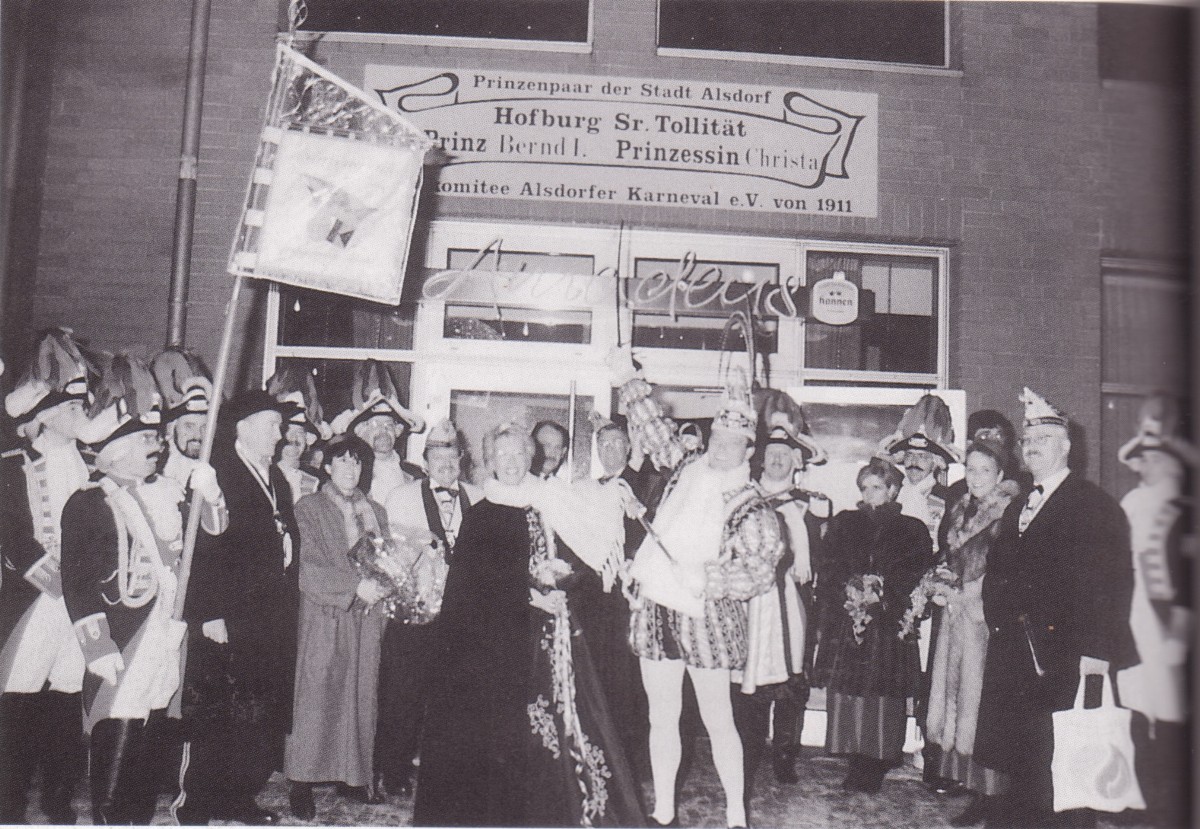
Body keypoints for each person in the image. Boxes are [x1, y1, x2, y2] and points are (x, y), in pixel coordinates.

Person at [414, 421, 642, 827]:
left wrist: (563, 586)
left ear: (529, 457)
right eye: (502, 455)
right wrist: (529, 595)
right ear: (490, 462)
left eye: (518, 454)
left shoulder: (547, 503)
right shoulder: (481, 515)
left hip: (543, 641)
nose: (511, 462)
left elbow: (580, 560)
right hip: (491, 648)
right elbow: (471, 588)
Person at [616, 356, 784, 829]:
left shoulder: (751, 505)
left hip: (706, 617)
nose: (722, 449)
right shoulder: (686, 466)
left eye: (733, 443)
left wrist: (710, 580)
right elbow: (655, 432)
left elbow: (761, 571)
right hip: (656, 608)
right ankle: (663, 809)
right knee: (661, 714)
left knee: (718, 717)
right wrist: (627, 380)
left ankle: (736, 814)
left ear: (749, 449)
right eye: (717, 439)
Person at [61, 354, 225, 824]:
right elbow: (77, 582)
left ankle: (135, 816)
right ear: (115, 450)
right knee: (119, 720)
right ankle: (110, 816)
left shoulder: (167, 491)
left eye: (155, 437)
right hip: (123, 632)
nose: (156, 446)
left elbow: (211, 534)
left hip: (166, 630)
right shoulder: (88, 503)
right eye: (145, 439)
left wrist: (210, 493)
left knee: (152, 723)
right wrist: (97, 645)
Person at [974, 388, 1137, 829]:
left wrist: (1097, 653)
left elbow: (1112, 584)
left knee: (1066, 761)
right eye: (1027, 441)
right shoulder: (1018, 505)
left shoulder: (1093, 505)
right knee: (1024, 757)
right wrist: (998, 622)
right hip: (1016, 652)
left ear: (1065, 447)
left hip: (1066, 655)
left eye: (1043, 440)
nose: (1031, 447)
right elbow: (998, 570)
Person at [176, 390, 302, 826]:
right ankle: (196, 803)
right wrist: (208, 612)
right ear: (242, 428)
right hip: (227, 615)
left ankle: (237, 797)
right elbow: (200, 548)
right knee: (216, 712)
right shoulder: (218, 473)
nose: (281, 434)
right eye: (273, 424)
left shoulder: (276, 478)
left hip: (269, 617)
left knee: (256, 714)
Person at [0, 330, 92, 824]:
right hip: (35, 599)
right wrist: (54, 581)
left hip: (76, 600)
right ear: (47, 412)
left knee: (67, 695)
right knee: (19, 695)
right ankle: (9, 805)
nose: (83, 412)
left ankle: (59, 801)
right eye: (72, 405)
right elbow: (14, 534)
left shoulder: (87, 462)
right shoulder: (13, 463)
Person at [811, 457, 933, 794]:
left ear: (893, 490)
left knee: (882, 692)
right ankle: (854, 756)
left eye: (877, 487)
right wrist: (849, 586)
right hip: (849, 619)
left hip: (887, 623)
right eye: (864, 488)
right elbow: (828, 563)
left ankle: (876, 760)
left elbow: (917, 570)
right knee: (850, 689)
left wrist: (884, 589)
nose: (869, 494)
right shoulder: (845, 522)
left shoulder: (911, 528)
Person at [375, 419, 482, 799]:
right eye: (438, 456)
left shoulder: (479, 497)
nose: (446, 463)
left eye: (452, 456)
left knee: (455, 696)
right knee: (404, 695)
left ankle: (445, 772)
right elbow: (390, 556)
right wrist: (421, 547)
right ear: (425, 461)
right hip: (415, 611)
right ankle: (395, 770)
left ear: (461, 459)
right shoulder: (400, 497)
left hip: (463, 616)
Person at [285, 434, 390, 820]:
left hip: (367, 616)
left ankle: (352, 776)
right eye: (342, 460)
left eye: (357, 461)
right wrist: (354, 587)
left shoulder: (375, 510)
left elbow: (386, 560)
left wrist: (386, 583)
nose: (351, 468)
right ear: (327, 466)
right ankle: (301, 782)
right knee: (317, 694)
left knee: (360, 694)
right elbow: (306, 566)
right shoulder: (308, 508)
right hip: (325, 612)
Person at [734, 411, 829, 804]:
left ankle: (785, 755)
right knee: (750, 678)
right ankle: (748, 752)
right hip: (750, 601)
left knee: (792, 680)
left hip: (794, 602)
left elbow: (820, 558)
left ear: (796, 461)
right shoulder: (742, 498)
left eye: (784, 454)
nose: (776, 459)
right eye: (771, 453)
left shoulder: (811, 506)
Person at [924, 437, 1019, 826]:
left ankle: (993, 795)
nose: (976, 478)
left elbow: (1007, 570)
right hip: (956, 617)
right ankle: (970, 785)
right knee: (957, 699)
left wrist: (971, 595)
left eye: (985, 470)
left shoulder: (1008, 511)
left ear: (1000, 474)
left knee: (982, 705)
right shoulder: (961, 508)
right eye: (971, 469)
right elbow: (950, 558)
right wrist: (939, 580)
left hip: (985, 621)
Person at [1113, 394, 1193, 826]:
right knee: (1136, 713)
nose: (1143, 465)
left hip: (1172, 629)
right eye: (1142, 457)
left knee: (1172, 721)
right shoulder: (1132, 503)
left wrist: (1179, 636)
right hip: (1134, 624)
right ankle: (1138, 803)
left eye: (1153, 456)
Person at [331, 360, 424, 507]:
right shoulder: (350, 474)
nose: (383, 431)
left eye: (388, 425)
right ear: (360, 431)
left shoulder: (416, 475)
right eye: (375, 424)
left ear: (397, 430)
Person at [267, 366, 329, 504]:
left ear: (307, 440)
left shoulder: (317, 481)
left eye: (300, 432)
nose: (294, 439)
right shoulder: (264, 476)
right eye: (288, 430)